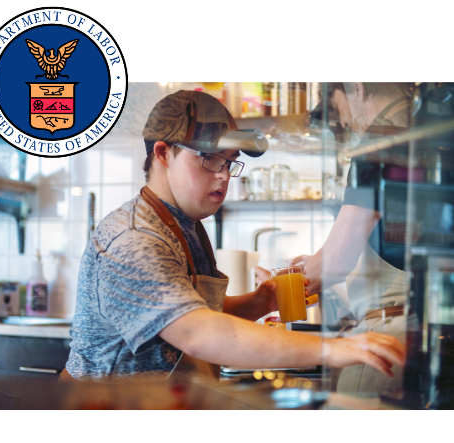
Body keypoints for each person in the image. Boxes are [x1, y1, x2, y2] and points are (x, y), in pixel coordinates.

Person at [62, 89, 405, 382]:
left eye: (230, 162)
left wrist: (262, 302)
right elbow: (195, 331)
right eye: (210, 159)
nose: (225, 176)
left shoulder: (185, 226)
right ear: (164, 153)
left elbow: (195, 309)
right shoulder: (134, 238)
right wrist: (331, 348)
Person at [256, 83, 413, 396]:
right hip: (425, 330)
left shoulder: (380, 141)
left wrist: (280, 284)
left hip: (388, 334)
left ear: (358, 86)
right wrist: (314, 264)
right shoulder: (424, 133)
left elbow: (337, 261)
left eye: (339, 109)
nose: (343, 123)